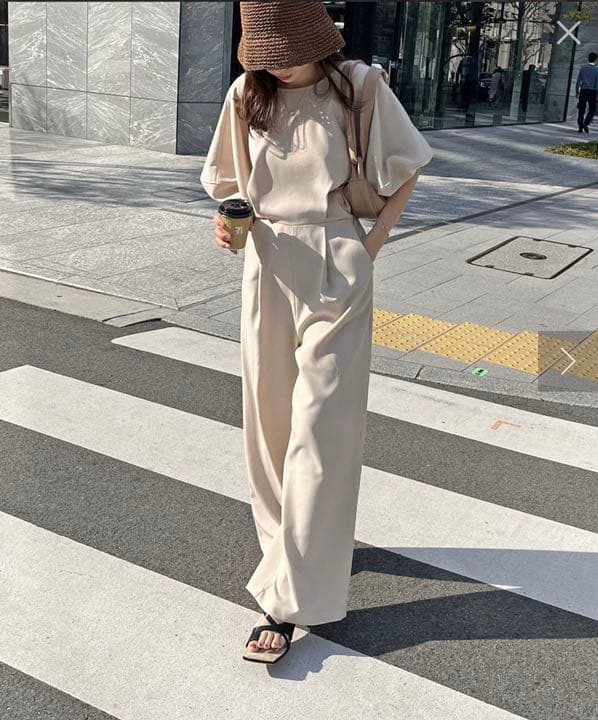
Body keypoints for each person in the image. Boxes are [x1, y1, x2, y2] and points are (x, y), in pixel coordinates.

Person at [200, 1, 433, 664]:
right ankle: (291, 548)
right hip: (265, 261)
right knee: (270, 424)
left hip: (336, 263)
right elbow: (227, 183)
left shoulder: (358, 86)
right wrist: (228, 228)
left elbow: (409, 164)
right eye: (264, 52)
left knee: (321, 429)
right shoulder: (246, 94)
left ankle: (283, 601)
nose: (275, 64)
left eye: (285, 50)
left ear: (314, 36)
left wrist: (367, 247)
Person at [576, 51, 598, 133]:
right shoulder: (596, 69)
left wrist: (577, 91)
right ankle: (586, 123)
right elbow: (597, 82)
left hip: (583, 90)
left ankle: (580, 125)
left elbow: (578, 80)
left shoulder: (583, 68)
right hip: (592, 91)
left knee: (581, 109)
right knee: (592, 109)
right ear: (595, 60)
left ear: (588, 59)